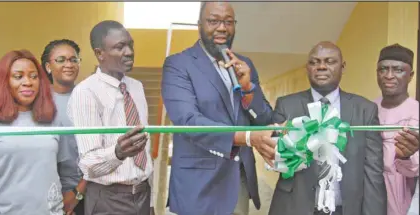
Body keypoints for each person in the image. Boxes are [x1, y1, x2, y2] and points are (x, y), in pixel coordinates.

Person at [161, 2, 279, 215]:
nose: (222, 27)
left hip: (238, 182)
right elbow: (188, 121)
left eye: (228, 22)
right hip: (199, 186)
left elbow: (264, 119)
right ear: (199, 25)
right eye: (213, 21)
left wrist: (249, 89)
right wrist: (248, 138)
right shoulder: (178, 64)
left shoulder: (244, 64)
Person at [268, 41, 386, 215]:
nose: (321, 67)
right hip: (295, 207)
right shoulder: (286, 106)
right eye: (314, 62)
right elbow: (275, 160)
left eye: (330, 61)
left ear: (343, 67)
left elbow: (373, 172)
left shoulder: (365, 109)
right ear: (307, 68)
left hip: (346, 209)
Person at [0, 50, 74, 214]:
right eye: (18, 76)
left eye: (33, 76)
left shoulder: (52, 119)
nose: (28, 82)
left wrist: (72, 199)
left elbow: (64, 171)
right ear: (4, 81)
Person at [67, 20, 155, 215]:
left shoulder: (136, 87)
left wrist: (150, 201)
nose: (129, 52)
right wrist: (117, 153)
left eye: (130, 44)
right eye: (119, 47)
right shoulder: (86, 92)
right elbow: (89, 165)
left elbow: (145, 151)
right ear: (100, 54)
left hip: (142, 194)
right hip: (108, 199)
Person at [41, 39, 85, 215]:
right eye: (61, 60)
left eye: (73, 60)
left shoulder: (88, 97)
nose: (69, 64)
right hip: (47, 193)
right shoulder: (37, 101)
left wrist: (76, 194)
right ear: (48, 66)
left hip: (86, 189)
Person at [374, 43, 419, 215]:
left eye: (398, 70)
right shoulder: (368, 108)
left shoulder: (416, 112)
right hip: (369, 195)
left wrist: (406, 156)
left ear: (411, 75)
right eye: (383, 69)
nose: (389, 76)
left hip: (403, 198)